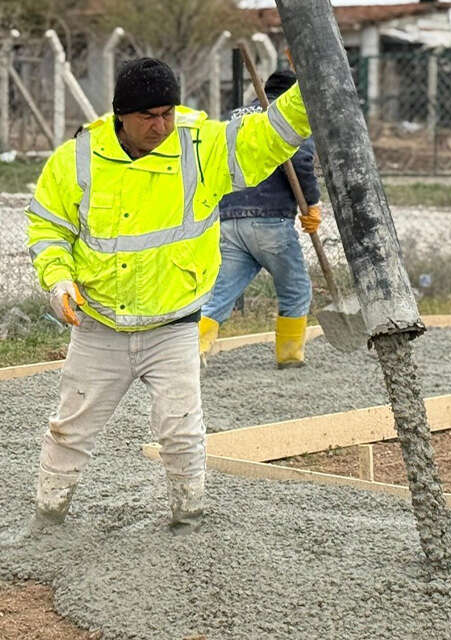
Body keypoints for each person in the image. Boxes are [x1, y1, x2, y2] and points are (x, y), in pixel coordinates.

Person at [24, 57, 311, 534]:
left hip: (175, 326)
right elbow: (48, 228)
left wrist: (314, 83)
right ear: (121, 115)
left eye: (167, 113)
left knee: (181, 431)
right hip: (101, 326)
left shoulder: (201, 148)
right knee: (69, 429)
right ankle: (47, 517)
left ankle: (189, 519)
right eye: (147, 117)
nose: (159, 126)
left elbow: (271, 135)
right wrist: (58, 280)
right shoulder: (76, 159)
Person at [197, 70, 321, 369]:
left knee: (220, 294)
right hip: (270, 221)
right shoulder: (285, 115)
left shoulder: (235, 117)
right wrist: (313, 204)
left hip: (228, 218)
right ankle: (290, 357)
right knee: (295, 289)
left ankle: (191, 351)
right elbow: (301, 159)